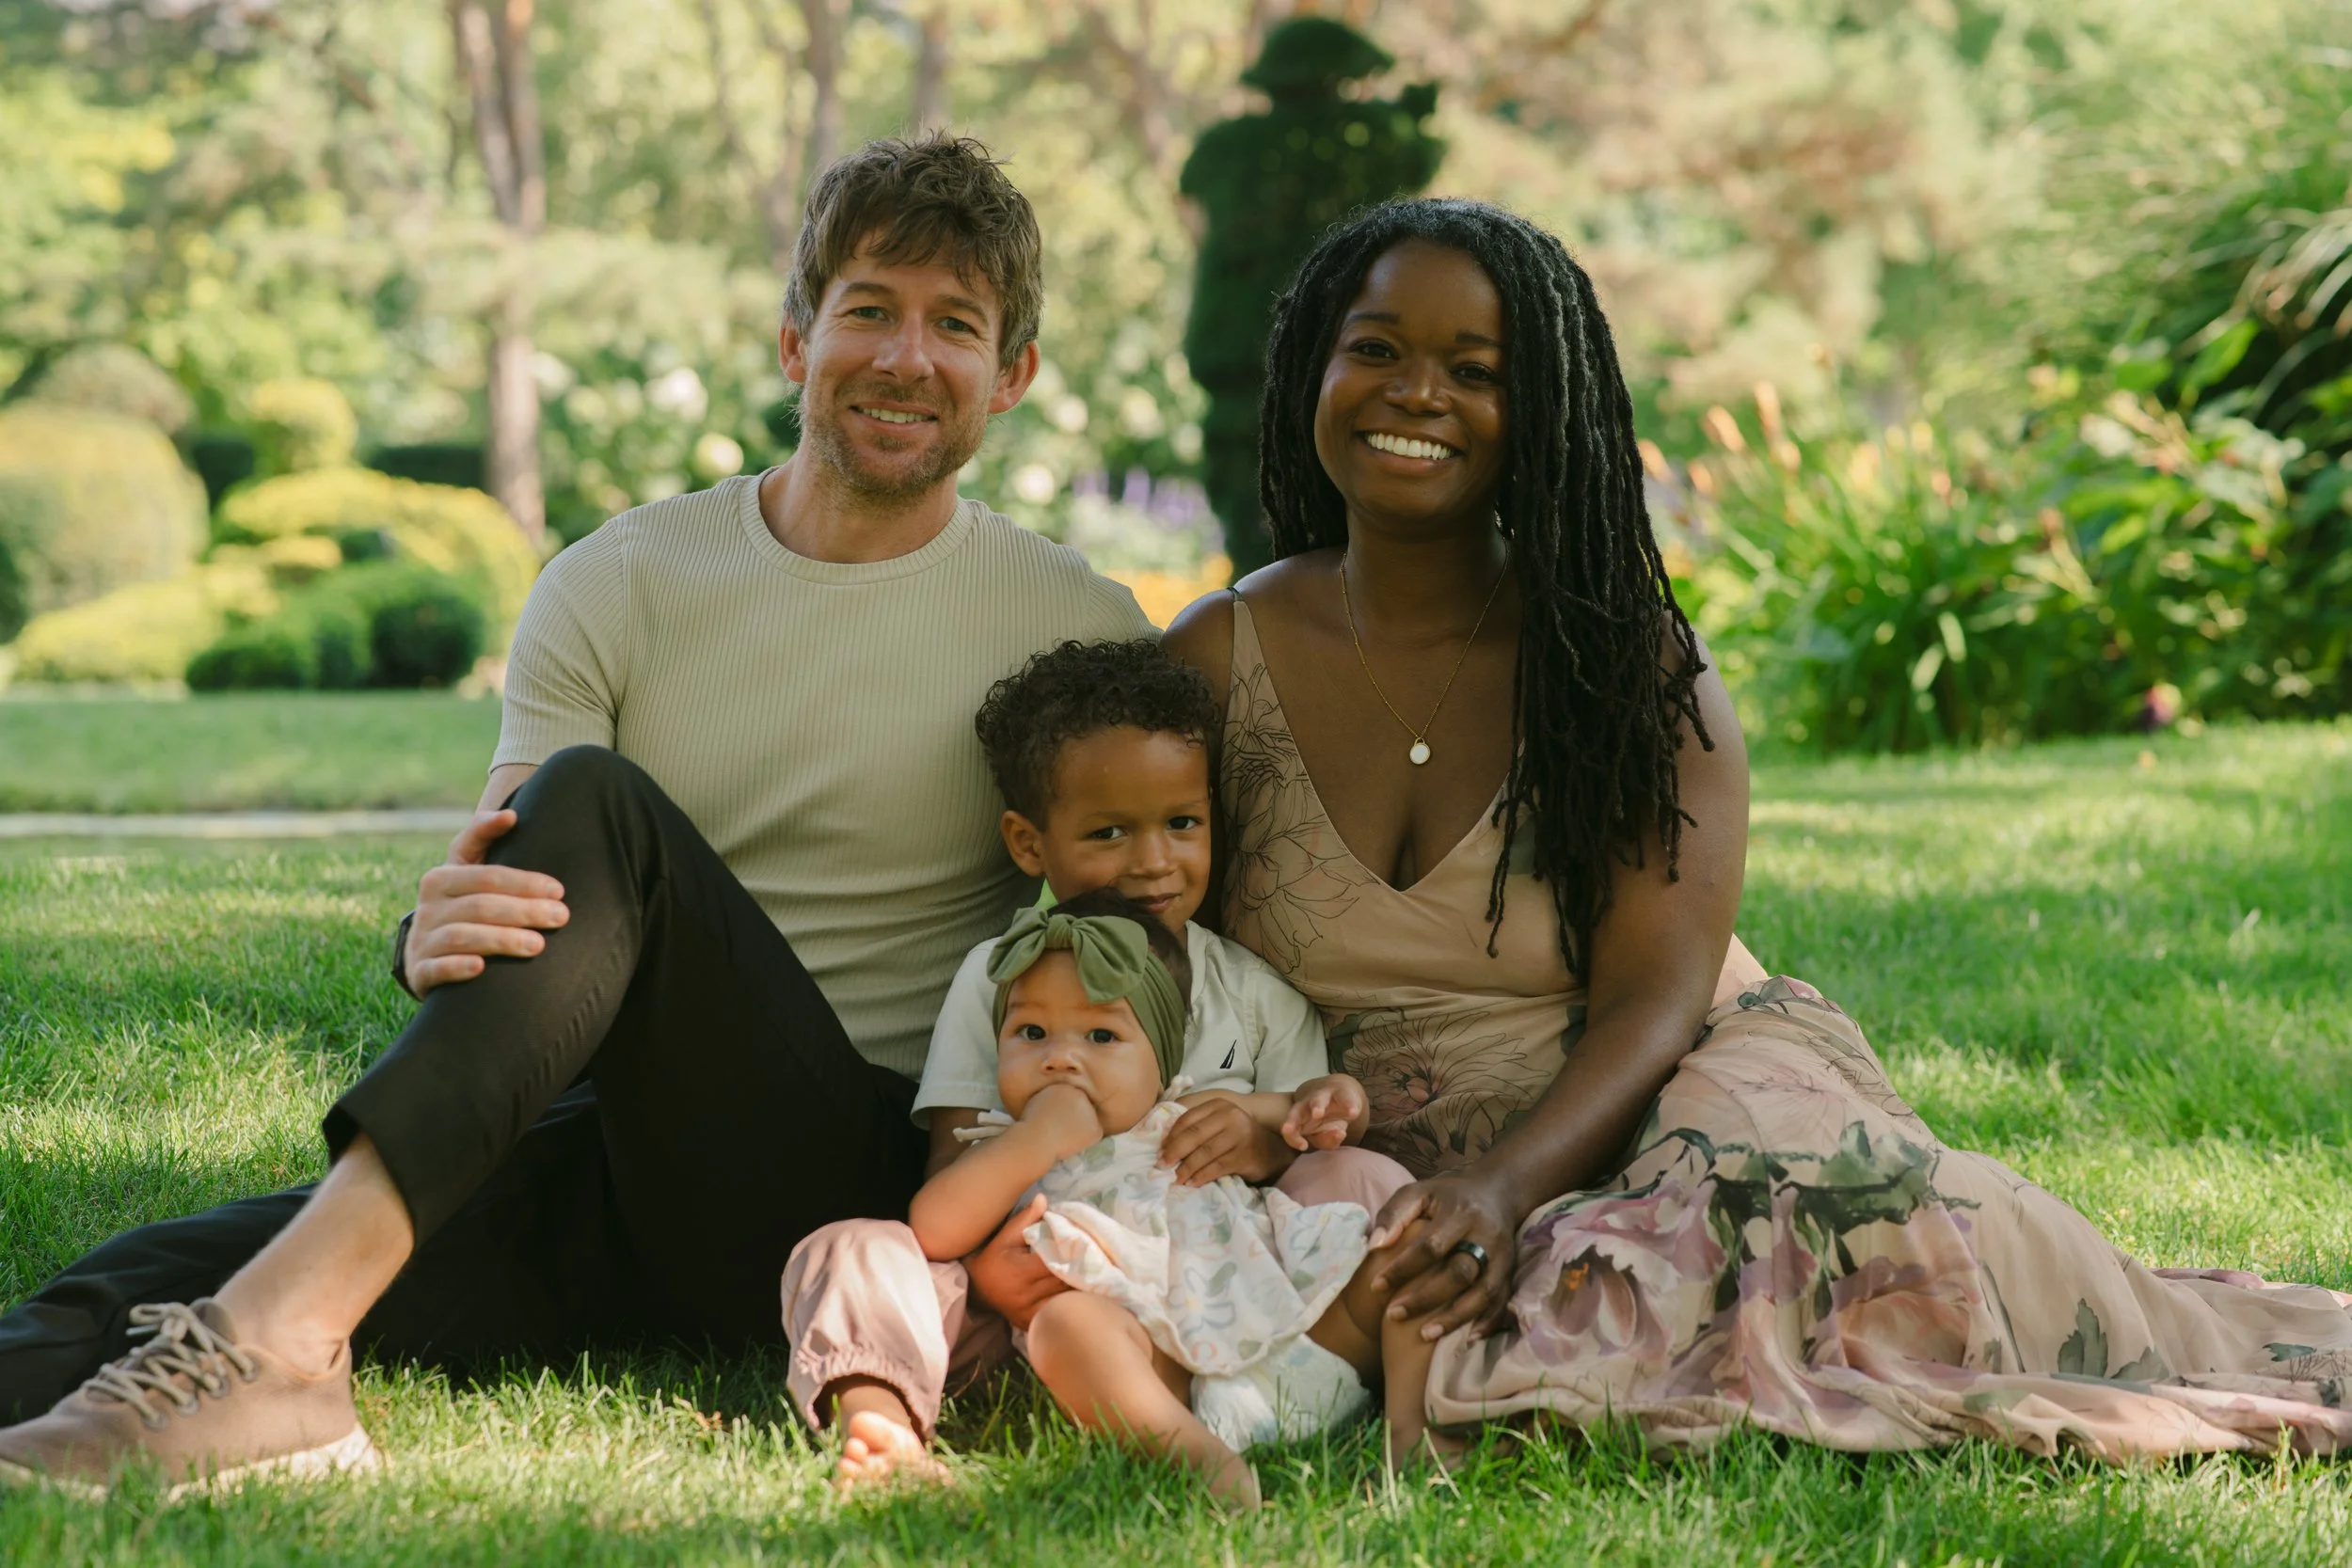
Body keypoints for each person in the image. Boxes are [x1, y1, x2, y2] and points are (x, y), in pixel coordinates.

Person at [0, 134, 1157, 1497]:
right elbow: (513, 861)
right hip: (623, 1161)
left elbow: (1170, 919)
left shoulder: (1072, 624)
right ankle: (260, 1333)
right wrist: (436, 920)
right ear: (797, 337)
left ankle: (285, 1357)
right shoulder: (620, 579)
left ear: (1009, 376)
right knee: (149, 1278)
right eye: (868, 311)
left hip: (858, 1186)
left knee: (605, 805)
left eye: (954, 326)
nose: (906, 358)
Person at [1160, 197, 2352, 1461]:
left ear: (1547, 411)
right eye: (1378, 348)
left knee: (1778, 1239)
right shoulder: (1214, 656)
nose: (1417, 393)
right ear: (1315, 368)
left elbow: (1654, 1003)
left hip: (1653, 1094)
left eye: (1477, 370)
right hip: (1360, 1149)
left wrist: (1508, 1188)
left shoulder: (1625, 668)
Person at [776, 638, 1411, 1491]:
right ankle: (883, 1424)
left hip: (1209, 1285)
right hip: (1034, 1300)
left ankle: (1297, 1397)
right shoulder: (997, 977)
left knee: (1364, 1178)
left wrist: (1275, 1124)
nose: (1153, 860)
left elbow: (1306, 1155)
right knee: (850, 1248)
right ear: (1030, 844)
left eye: (1181, 823)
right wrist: (1012, 1237)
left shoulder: (1251, 993)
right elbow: (948, 1186)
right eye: (1110, 832)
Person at [901, 892, 1423, 1512]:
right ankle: (1201, 1460)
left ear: (1164, 1061)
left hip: (1301, 1331)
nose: (1060, 1057)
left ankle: (1414, 1430)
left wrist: (1333, 1094)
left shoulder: (1182, 1115)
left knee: (1405, 1244)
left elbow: (1305, 1115)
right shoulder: (1007, 1147)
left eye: (1101, 1034)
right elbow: (933, 1228)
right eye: (1030, 1032)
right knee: (1065, 1327)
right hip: (1164, 1380)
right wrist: (1035, 1137)